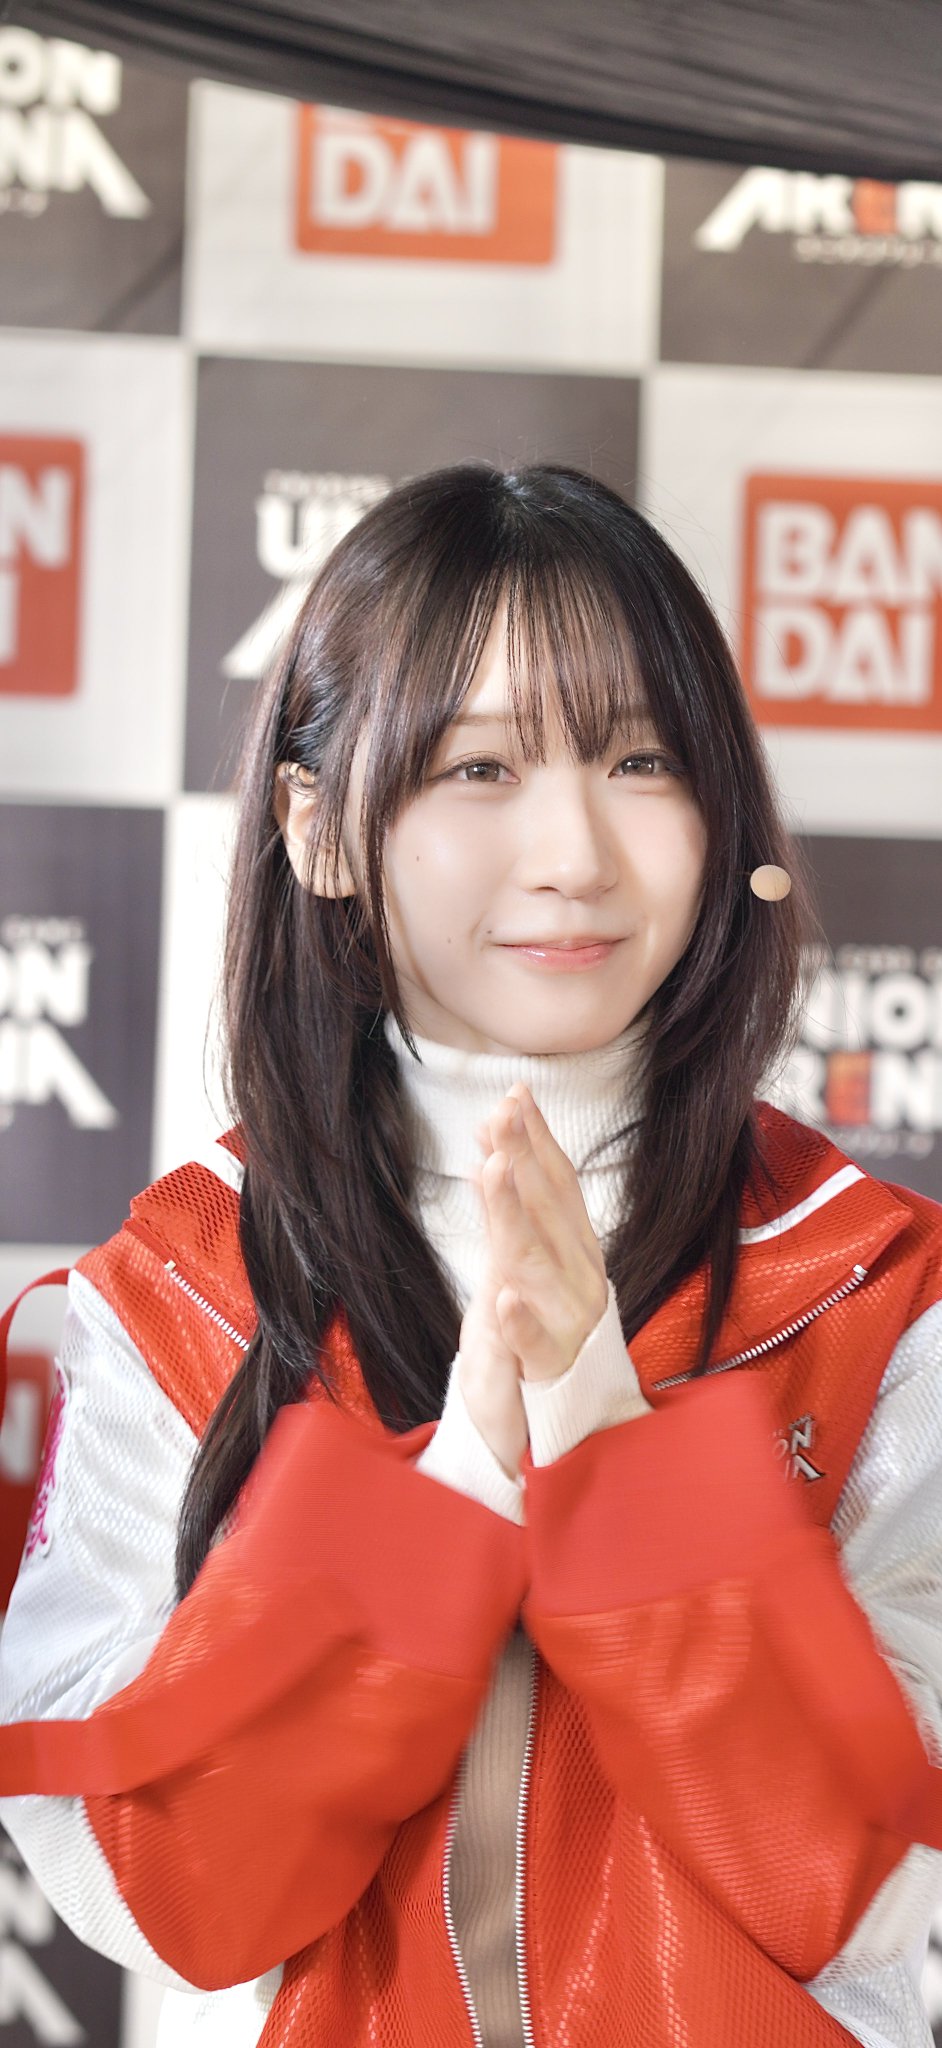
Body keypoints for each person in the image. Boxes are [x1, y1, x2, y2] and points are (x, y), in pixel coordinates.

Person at [0, 461, 940, 2048]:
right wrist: (456, 1489)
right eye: (479, 767)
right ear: (318, 829)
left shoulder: (867, 1283)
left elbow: (874, 1884)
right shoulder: (174, 1294)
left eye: (639, 759)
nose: (572, 850)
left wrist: (604, 1433)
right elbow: (163, 1902)